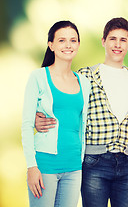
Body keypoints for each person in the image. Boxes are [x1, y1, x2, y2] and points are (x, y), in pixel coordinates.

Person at [34, 17, 128, 207]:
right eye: (112, 39)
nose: (117, 45)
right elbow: (65, 105)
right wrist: (38, 117)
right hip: (95, 162)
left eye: (123, 40)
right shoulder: (85, 76)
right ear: (103, 41)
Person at [21, 21, 91, 207]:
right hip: (45, 165)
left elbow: (82, 123)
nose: (68, 45)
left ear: (78, 45)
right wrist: (31, 167)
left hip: (74, 166)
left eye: (73, 40)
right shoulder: (38, 77)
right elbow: (27, 124)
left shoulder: (84, 82)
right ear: (51, 45)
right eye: (62, 40)